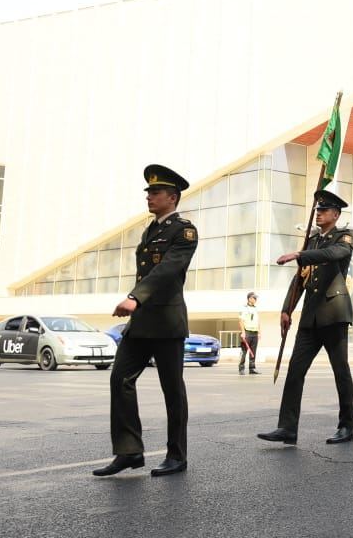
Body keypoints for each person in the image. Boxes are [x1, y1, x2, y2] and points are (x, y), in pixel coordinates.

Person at [94, 165, 196, 477]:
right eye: (148, 192)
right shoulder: (150, 230)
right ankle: (129, 451)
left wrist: (135, 297)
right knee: (120, 379)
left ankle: (177, 455)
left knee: (172, 390)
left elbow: (167, 269)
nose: (149, 197)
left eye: (155, 192)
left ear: (173, 197)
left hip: (166, 322)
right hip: (141, 324)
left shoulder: (184, 231)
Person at [257, 190, 353, 445]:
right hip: (310, 318)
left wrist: (299, 255)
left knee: (340, 371)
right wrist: (286, 309)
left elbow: (334, 255)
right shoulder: (312, 241)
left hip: (334, 314)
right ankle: (287, 428)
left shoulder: (343, 238)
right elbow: (299, 279)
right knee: (295, 371)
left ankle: (347, 427)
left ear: (335, 214)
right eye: (317, 210)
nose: (318, 213)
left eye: (323, 210)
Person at [238, 291, 260, 375]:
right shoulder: (244, 308)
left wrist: (259, 332)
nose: (255, 299)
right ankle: (241, 368)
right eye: (254, 298)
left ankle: (252, 368)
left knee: (253, 351)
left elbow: (258, 321)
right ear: (250, 298)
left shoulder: (255, 308)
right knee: (244, 351)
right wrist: (243, 332)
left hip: (255, 332)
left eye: (256, 298)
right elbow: (240, 320)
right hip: (247, 332)